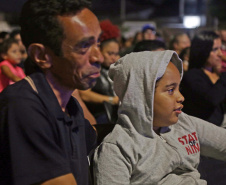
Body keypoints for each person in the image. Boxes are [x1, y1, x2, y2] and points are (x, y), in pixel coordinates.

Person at [0, 0, 103, 184]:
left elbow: (95, 134)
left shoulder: (69, 106)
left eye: (98, 43)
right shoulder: (22, 105)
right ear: (42, 56)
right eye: (84, 46)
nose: (98, 57)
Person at [93, 50, 226, 184]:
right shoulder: (118, 149)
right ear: (142, 95)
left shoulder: (184, 123)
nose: (181, 97)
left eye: (179, 88)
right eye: (170, 90)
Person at [180, 31, 226, 185]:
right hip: (205, 144)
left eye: (221, 48)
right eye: (215, 49)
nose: (221, 54)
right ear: (202, 50)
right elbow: (212, 98)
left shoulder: (217, 75)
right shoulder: (193, 76)